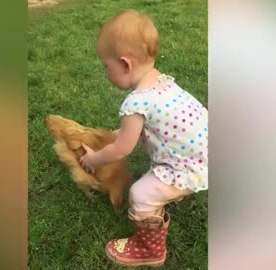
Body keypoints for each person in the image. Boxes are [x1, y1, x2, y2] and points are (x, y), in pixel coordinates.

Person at [79, 9, 208, 267]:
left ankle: (149, 250)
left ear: (125, 64)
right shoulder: (163, 84)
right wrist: (115, 136)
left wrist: (95, 158)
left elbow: (121, 149)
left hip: (187, 166)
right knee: (155, 183)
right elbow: (136, 132)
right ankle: (179, 190)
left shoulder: (136, 102)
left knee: (140, 195)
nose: (106, 74)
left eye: (107, 67)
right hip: (207, 151)